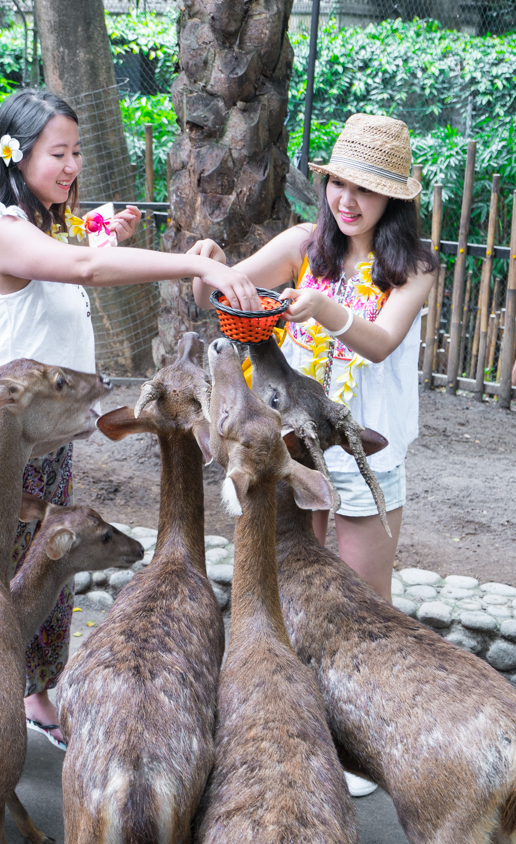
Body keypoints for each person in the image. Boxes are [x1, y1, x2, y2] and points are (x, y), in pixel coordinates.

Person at [0, 88, 258, 751]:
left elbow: (78, 248)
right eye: (58, 153)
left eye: (77, 151)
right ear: (16, 155)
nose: (73, 166)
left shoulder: (44, 224)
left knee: (40, 570)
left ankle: (30, 694)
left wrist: (103, 230)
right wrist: (190, 263)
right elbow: (82, 267)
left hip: (46, 439)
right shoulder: (4, 232)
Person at [190, 113, 438, 605]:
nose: (346, 200)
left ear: (393, 197)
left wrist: (325, 309)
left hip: (363, 443)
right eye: (337, 183)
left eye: (363, 189)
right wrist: (208, 265)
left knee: (365, 600)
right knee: (285, 582)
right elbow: (211, 297)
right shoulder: (303, 244)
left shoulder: (414, 268)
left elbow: (382, 341)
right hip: (294, 440)